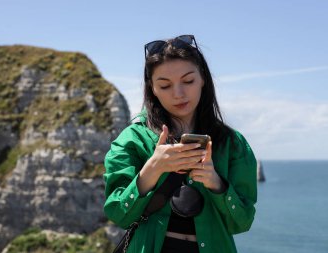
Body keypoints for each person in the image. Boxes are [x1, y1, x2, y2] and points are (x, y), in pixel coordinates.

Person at [103, 35, 257, 253]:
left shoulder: (233, 144)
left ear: (203, 78)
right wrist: (151, 170)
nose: (178, 94)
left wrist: (216, 183)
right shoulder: (131, 140)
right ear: (152, 89)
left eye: (188, 81)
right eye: (165, 85)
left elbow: (242, 223)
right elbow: (118, 214)